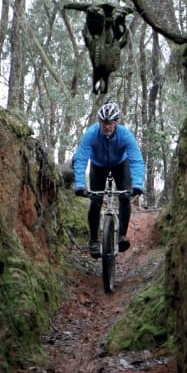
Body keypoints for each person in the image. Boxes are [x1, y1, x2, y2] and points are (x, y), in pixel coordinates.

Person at [73, 102, 145, 258]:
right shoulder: (91, 134)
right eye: (104, 123)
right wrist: (79, 184)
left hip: (120, 164)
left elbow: (136, 160)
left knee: (125, 197)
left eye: (110, 123)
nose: (107, 127)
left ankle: (121, 236)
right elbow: (80, 159)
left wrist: (138, 184)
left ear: (116, 122)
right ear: (99, 122)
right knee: (95, 200)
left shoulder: (125, 135)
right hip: (98, 166)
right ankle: (93, 241)